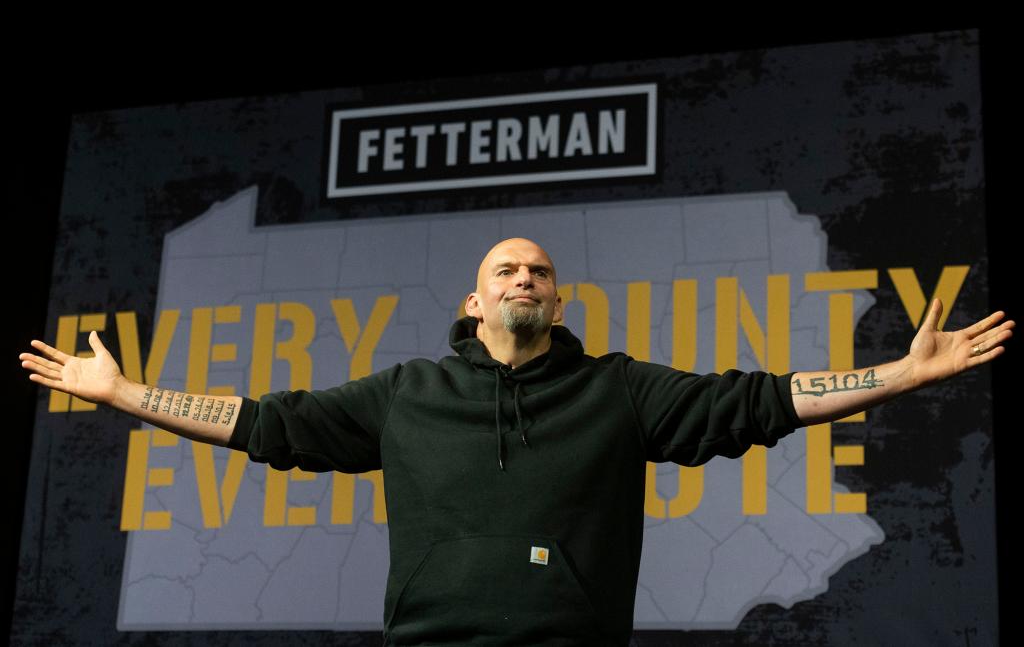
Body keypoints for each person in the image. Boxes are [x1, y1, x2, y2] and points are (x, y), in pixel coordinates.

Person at [20, 238, 1014, 645]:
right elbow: (262, 424)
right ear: (473, 297)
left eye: (539, 269)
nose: (524, 278)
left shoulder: (615, 388)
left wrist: (898, 374)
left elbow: (752, 401)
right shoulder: (404, 393)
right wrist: (126, 393)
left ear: (556, 296)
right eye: (505, 268)